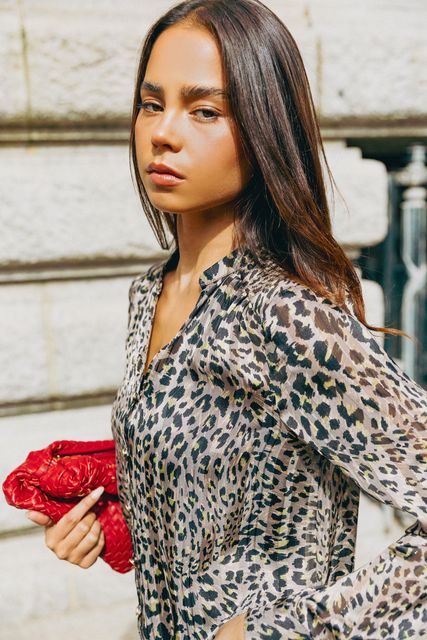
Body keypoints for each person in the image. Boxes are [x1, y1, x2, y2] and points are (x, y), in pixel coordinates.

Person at [27, 0, 427, 638]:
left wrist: (295, 628)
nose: (164, 131)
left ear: (265, 127)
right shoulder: (149, 294)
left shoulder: (286, 315)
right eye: (151, 103)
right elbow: (223, 485)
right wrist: (112, 521)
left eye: (205, 110)